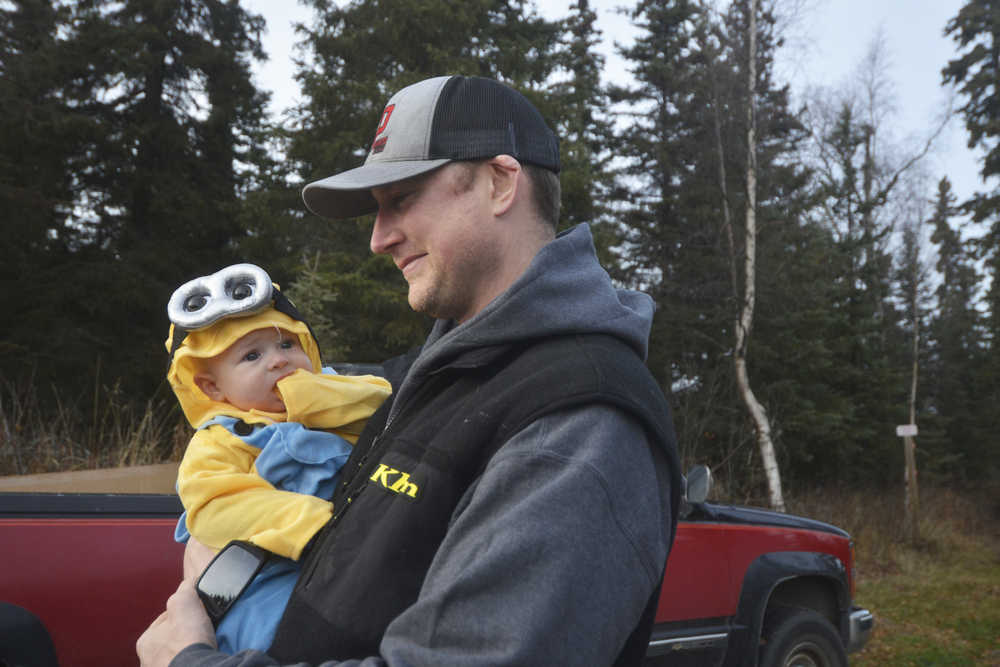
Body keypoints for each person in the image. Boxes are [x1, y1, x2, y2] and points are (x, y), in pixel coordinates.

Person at [139, 74, 681, 667]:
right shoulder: (438, 377)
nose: (377, 238)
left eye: (401, 199)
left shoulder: (576, 419)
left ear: (500, 183)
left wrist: (191, 661)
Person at [164, 263, 391, 654]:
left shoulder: (334, 393)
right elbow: (214, 504)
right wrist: (310, 523)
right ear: (212, 387)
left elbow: (385, 399)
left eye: (287, 344)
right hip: (266, 577)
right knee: (274, 642)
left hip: (360, 566)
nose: (279, 360)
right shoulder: (220, 440)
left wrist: (311, 398)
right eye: (252, 356)